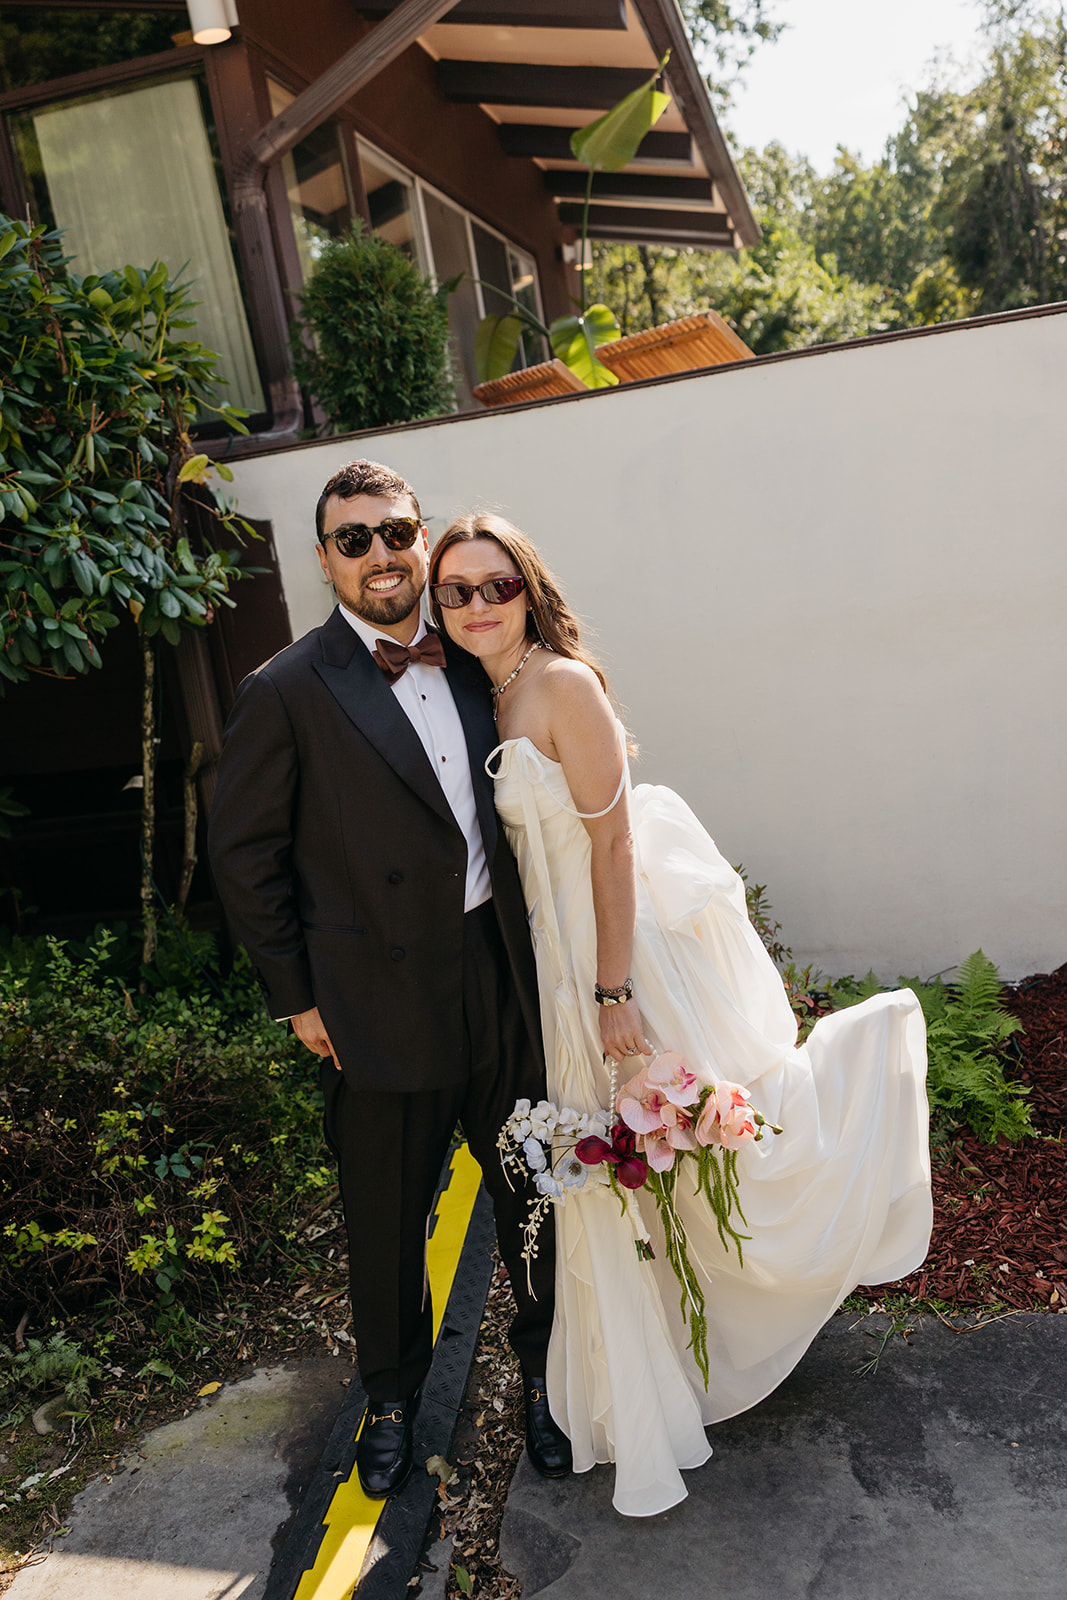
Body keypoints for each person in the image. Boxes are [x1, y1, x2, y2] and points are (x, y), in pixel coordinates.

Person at [428, 512, 933, 1518]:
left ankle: (863, 1064)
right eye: (456, 591)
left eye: (494, 585)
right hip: (541, 962)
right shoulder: (472, 694)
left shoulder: (562, 684)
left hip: (604, 954)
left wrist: (613, 992)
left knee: (672, 1154)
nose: (476, 604)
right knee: (605, 1179)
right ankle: (639, 1382)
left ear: (527, 589)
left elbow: (611, 848)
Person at [207, 462, 572, 1499]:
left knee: (533, 1195)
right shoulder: (282, 689)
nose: (380, 554)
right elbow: (242, 858)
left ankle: (548, 1378)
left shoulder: (471, 656)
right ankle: (394, 1397)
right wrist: (296, 996)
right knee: (384, 1218)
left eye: (396, 532)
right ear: (324, 558)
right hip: (372, 1004)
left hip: (499, 981)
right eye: (354, 538)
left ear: (421, 541)